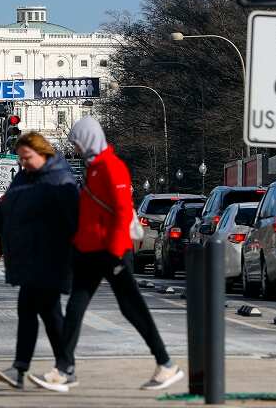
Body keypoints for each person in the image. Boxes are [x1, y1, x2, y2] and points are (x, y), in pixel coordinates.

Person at [55, 116, 184, 392]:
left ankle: (166, 363)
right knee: (76, 308)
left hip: (112, 253)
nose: (75, 149)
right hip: (91, 252)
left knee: (132, 308)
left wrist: (115, 254)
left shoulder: (112, 168)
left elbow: (123, 211)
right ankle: (64, 369)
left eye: (76, 143)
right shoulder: (94, 169)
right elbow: (92, 216)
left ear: (87, 140)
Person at [0, 132, 79, 391]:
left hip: (51, 259)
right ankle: (29, 368)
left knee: (44, 313)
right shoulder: (24, 178)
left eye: (27, 158)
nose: (23, 163)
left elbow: (73, 223)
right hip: (31, 259)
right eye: (20, 159)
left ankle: (57, 367)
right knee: (37, 313)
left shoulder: (60, 181)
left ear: (43, 153)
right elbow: (3, 211)